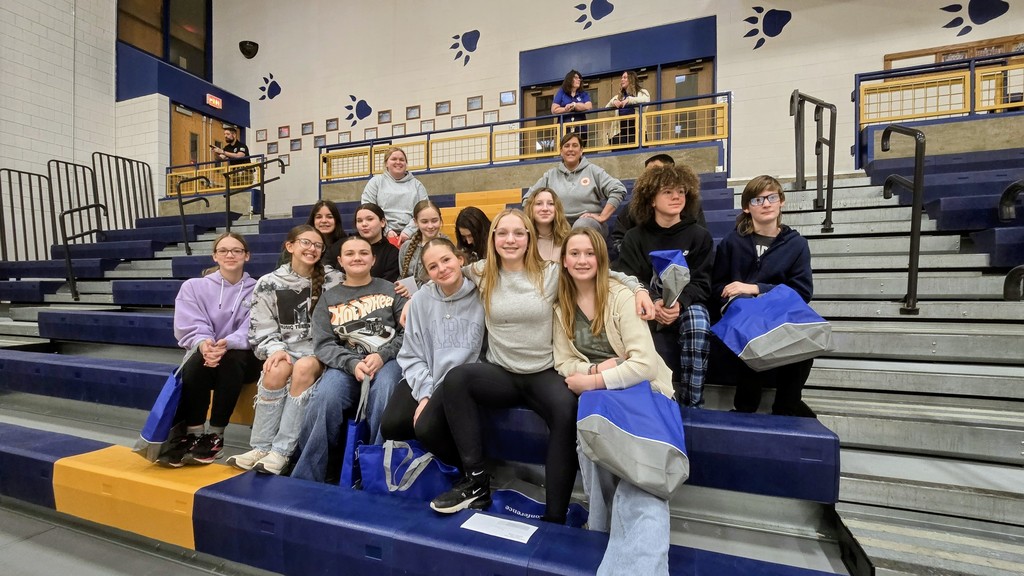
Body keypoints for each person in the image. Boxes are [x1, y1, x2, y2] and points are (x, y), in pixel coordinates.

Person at [429, 209, 653, 523]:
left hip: (544, 372)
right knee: (457, 380)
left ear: (529, 237)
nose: (510, 240)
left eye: (518, 233)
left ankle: (555, 516)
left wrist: (640, 290)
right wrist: (414, 296)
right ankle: (476, 481)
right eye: (502, 233)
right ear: (493, 239)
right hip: (502, 373)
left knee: (565, 410)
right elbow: (443, 277)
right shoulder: (481, 272)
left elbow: (609, 273)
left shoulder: (550, 272)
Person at [552, 228, 673, 576]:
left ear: (601, 258)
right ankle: (600, 527)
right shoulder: (561, 305)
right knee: (589, 445)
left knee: (640, 481)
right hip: (599, 398)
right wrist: (594, 368)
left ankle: (637, 564)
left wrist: (594, 378)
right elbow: (563, 361)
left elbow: (644, 363)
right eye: (574, 253)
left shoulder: (621, 297)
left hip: (640, 393)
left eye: (590, 253)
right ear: (564, 260)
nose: (582, 260)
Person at [227, 226, 344, 475]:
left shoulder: (334, 280)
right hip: (286, 349)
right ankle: (260, 447)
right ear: (290, 246)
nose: (312, 249)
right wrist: (276, 349)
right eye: (306, 243)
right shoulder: (269, 283)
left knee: (302, 368)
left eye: (317, 245)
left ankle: (282, 451)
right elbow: (261, 327)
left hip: (320, 351)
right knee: (276, 368)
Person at [291, 235, 408, 483]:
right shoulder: (329, 298)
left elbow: (407, 333)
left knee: (385, 388)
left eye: (364, 253)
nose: (357, 257)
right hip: (346, 365)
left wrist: (382, 355)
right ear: (341, 261)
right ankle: (307, 475)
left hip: (387, 362)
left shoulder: (391, 290)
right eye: (351, 253)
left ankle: (375, 473)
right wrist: (351, 363)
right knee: (326, 396)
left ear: (373, 259)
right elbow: (323, 344)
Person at [711, 175, 816, 418]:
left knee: (804, 331)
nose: (766, 204)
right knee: (752, 321)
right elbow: (717, 285)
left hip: (778, 311)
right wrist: (735, 295)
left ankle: (787, 404)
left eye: (771, 198)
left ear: (782, 202)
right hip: (740, 313)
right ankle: (745, 406)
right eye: (758, 199)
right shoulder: (732, 242)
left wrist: (756, 288)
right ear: (747, 207)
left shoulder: (797, 244)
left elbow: (802, 291)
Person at [160, 232, 262, 468]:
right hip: (206, 354)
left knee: (232, 356)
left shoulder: (259, 289)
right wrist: (206, 343)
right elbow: (191, 323)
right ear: (214, 256)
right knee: (196, 359)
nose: (230, 255)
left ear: (246, 256)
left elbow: (254, 327)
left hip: (241, 357)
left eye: (236, 250)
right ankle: (194, 433)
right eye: (223, 250)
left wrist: (227, 343)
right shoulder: (193, 287)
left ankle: (216, 435)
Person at [615, 164, 713, 408]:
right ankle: (643, 403)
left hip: (685, 308)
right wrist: (652, 301)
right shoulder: (634, 238)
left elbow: (703, 283)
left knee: (699, 320)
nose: (677, 196)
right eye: (668, 192)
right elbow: (628, 280)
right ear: (651, 199)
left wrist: (679, 303)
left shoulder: (699, 236)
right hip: (644, 304)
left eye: (681, 191)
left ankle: (693, 402)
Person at [380, 238, 485, 466]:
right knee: (391, 424)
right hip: (429, 374)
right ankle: (432, 467)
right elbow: (411, 355)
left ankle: (472, 473)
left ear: (460, 260)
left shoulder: (482, 293)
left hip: (460, 380)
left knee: (427, 427)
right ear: (427, 273)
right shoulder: (420, 300)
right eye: (433, 267)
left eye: (446, 260)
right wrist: (426, 393)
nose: (442, 269)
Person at [525, 133, 626, 234]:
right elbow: (528, 198)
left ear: (581, 150)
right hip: (560, 225)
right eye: (566, 146)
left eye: (575, 145)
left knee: (580, 226)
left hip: (589, 225)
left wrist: (602, 217)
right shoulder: (550, 175)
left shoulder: (593, 171)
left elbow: (618, 189)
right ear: (561, 151)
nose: (570, 149)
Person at [610, 154, 707, 254]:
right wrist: (633, 253)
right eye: (647, 173)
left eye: (656, 171)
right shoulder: (632, 211)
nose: (676, 197)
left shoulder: (698, 231)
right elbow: (618, 238)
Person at [361, 147, 429, 244]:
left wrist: (408, 231)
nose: (398, 162)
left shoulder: (417, 185)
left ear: (406, 164)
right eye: (394, 159)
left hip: (412, 236)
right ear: (386, 164)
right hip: (381, 235)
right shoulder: (375, 182)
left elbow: (424, 211)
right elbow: (368, 209)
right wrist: (387, 230)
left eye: (402, 160)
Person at [279, 200, 347, 267]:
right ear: (313, 221)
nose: (324, 221)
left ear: (336, 221)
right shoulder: (296, 246)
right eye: (319, 217)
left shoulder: (346, 245)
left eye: (329, 217)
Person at [398, 199, 449, 286]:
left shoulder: (447, 245)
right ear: (415, 222)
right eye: (424, 222)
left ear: (440, 220)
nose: (430, 226)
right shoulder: (406, 247)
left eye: (434, 221)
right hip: (411, 297)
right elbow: (403, 278)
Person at [353, 203, 401, 281]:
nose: (364, 224)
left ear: (382, 222)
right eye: (359, 221)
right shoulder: (346, 247)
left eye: (370, 219)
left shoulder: (392, 253)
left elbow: (388, 283)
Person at [523, 187, 571, 262]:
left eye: (551, 204)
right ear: (531, 209)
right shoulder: (522, 240)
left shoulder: (567, 239)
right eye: (539, 204)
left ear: (557, 209)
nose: (545, 208)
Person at [606, 71, 651, 146]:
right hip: (621, 132)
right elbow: (607, 109)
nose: (622, 80)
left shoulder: (641, 93)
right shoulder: (619, 96)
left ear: (631, 79)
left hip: (636, 131)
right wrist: (613, 102)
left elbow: (646, 100)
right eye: (622, 78)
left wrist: (629, 100)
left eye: (625, 77)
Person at [551, 70, 593, 147]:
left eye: (579, 78)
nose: (579, 80)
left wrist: (575, 105)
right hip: (564, 130)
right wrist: (565, 109)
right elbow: (554, 109)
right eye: (576, 78)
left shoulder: (583, 93)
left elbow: (589, 106)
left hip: (580, 130)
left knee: (580, 151)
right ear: (570, 80)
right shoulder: (561, 92)